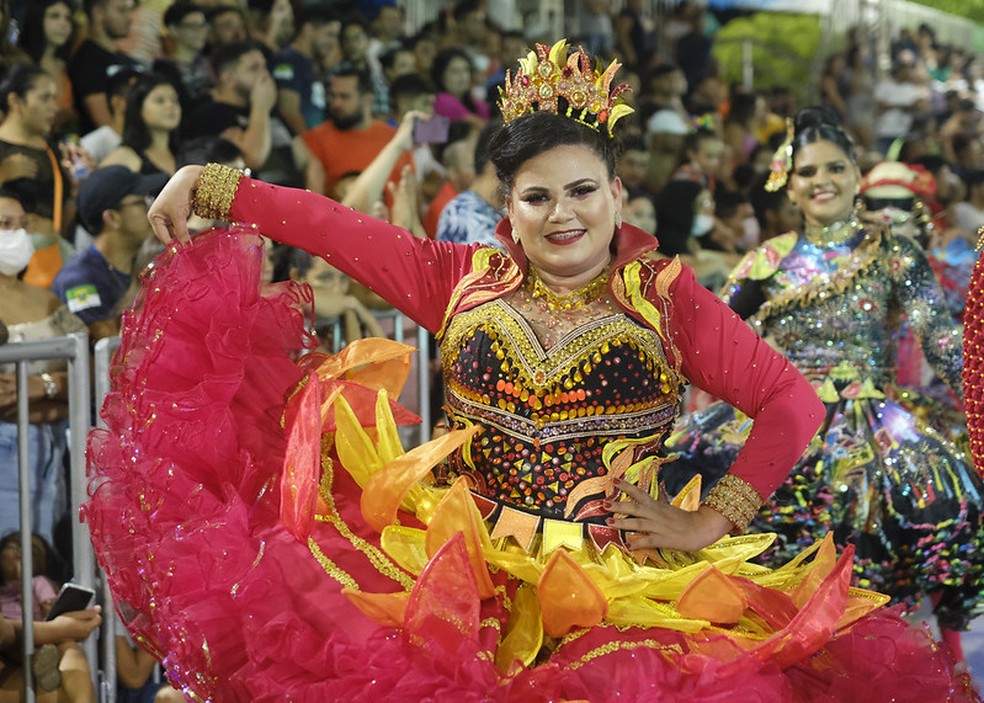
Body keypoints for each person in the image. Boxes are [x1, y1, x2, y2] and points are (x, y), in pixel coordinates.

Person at [86, 41, 973, 701]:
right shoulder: (457, 278)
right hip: (451, 581)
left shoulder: (665, 298)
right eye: (538, 195)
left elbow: (790, 399)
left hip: (621, 595)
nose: (563, 215)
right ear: (507, 205)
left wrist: (709, 523)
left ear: (617, 193)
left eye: (583, 190)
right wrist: (213, 185)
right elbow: (330, 228)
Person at [664, 107, 984, 670]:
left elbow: (939, 340)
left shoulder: (894, 251)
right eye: (808, 172)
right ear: (789, 184)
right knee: (690, 481)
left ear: (857, 174)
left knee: (947, 500)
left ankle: (941, 661)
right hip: (784, 420)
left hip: (873, 421)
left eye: (835, 167)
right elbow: (703, 340)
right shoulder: (765, 260)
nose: (822, 182)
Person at [0, 189, 85, 547]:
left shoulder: (48, 298)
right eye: (5, 225)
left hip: (57, 445)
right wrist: (62, 392)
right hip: (7, 452)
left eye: (23, 225)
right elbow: (5, 402)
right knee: (14, 558)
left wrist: (43, 385)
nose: (17, 234)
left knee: (49, 559)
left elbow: (90, 370)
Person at [51, 165, 167, 341]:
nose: (151, 209)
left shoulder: (148, 262)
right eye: (141, 202)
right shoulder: (79, 280)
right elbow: (109, 352)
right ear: (112, 218)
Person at [0, 532, 101, 703]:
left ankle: (52, 677)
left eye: (33, 551)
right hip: (13, 647)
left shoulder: (38, 582)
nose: (20, 551)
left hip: (40, 640)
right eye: (12, 546)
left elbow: (49, 607)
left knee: (68, 645)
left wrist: (57, 623)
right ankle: (45, 674)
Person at [0, 64, 76, 287]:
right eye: (44, 98)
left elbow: (63, 215)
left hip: (49, 261)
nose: (54, 107)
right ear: (15, 101)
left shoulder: (52, 149)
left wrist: (76, 189)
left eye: (54, 98)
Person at [183, 40, 277, 172]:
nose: (265, 74)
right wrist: (261, 107)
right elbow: (254, 159)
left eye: (265, 67)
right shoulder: (209, 114)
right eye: (254, 68)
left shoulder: (258, 106)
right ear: (228, 78)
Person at [67, 0, 144, 135]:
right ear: (98, 13)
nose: (129, 18)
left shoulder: (129, 60)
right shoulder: (88, 59)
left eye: (130, 10)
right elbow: (104, 123)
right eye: (121, 10)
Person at [99, 74, 182, 176]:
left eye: (175, 100)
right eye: (160, 100)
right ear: (138, 108)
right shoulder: (124, 157)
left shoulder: (190, 153)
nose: (170, 105)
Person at [17, 0, 78, 134]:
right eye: (54, 16)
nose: (64, 24)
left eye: (68, 18)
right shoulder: (21, 65)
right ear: (37, 18)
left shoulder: (64, 66)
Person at [152, 3, 213, 117]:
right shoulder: (163, 69)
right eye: (193, 26)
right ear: (174, 29)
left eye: (203, 25)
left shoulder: (208, 61)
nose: (200, 31)